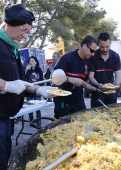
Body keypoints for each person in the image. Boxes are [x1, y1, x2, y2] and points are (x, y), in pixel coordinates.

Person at [0, 4, 57, 169]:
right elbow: (12, 83)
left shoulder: (13, 49)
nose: (25, 36)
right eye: (23, 30)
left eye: (28, 31)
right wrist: (7, 85)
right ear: (9, 23)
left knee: (4, 159)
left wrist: (38, 89)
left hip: (6, 118)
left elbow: (21, 81)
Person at [53, 35, 98, 119]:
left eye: (94, 52)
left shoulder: (88, 62)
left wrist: (97, 88)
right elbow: (55, 76)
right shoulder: (67, 58)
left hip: (78, 100)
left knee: (82, 122)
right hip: (63, 100)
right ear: (84, 46)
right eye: (92, 51)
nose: (93, 54)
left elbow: (84, 81)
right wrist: (71, 80)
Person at [88, 32, 121, 108]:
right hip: (97, 91)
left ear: (110, 44)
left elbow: (118, 73)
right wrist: (98, 85)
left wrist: (117, 85)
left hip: (111, 92)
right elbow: (90, 76)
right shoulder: (93, 57)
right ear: (98, 45)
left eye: (107, 46)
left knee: (112, 113)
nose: (105, 49)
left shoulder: (115, 56)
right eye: (102, 47)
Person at [25, 56, 44, 127]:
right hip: (29, 91)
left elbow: (42, 81)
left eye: (32, 61)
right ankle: (31, 120)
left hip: (37, 90)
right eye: (29, 61)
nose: (31, 62)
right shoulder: (27, 70)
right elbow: (23, 79)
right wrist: (26, 70)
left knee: (37, 106)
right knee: (30, 106)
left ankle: (38, 120)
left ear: (36, 62)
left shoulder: (39, 70)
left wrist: (39, 87)